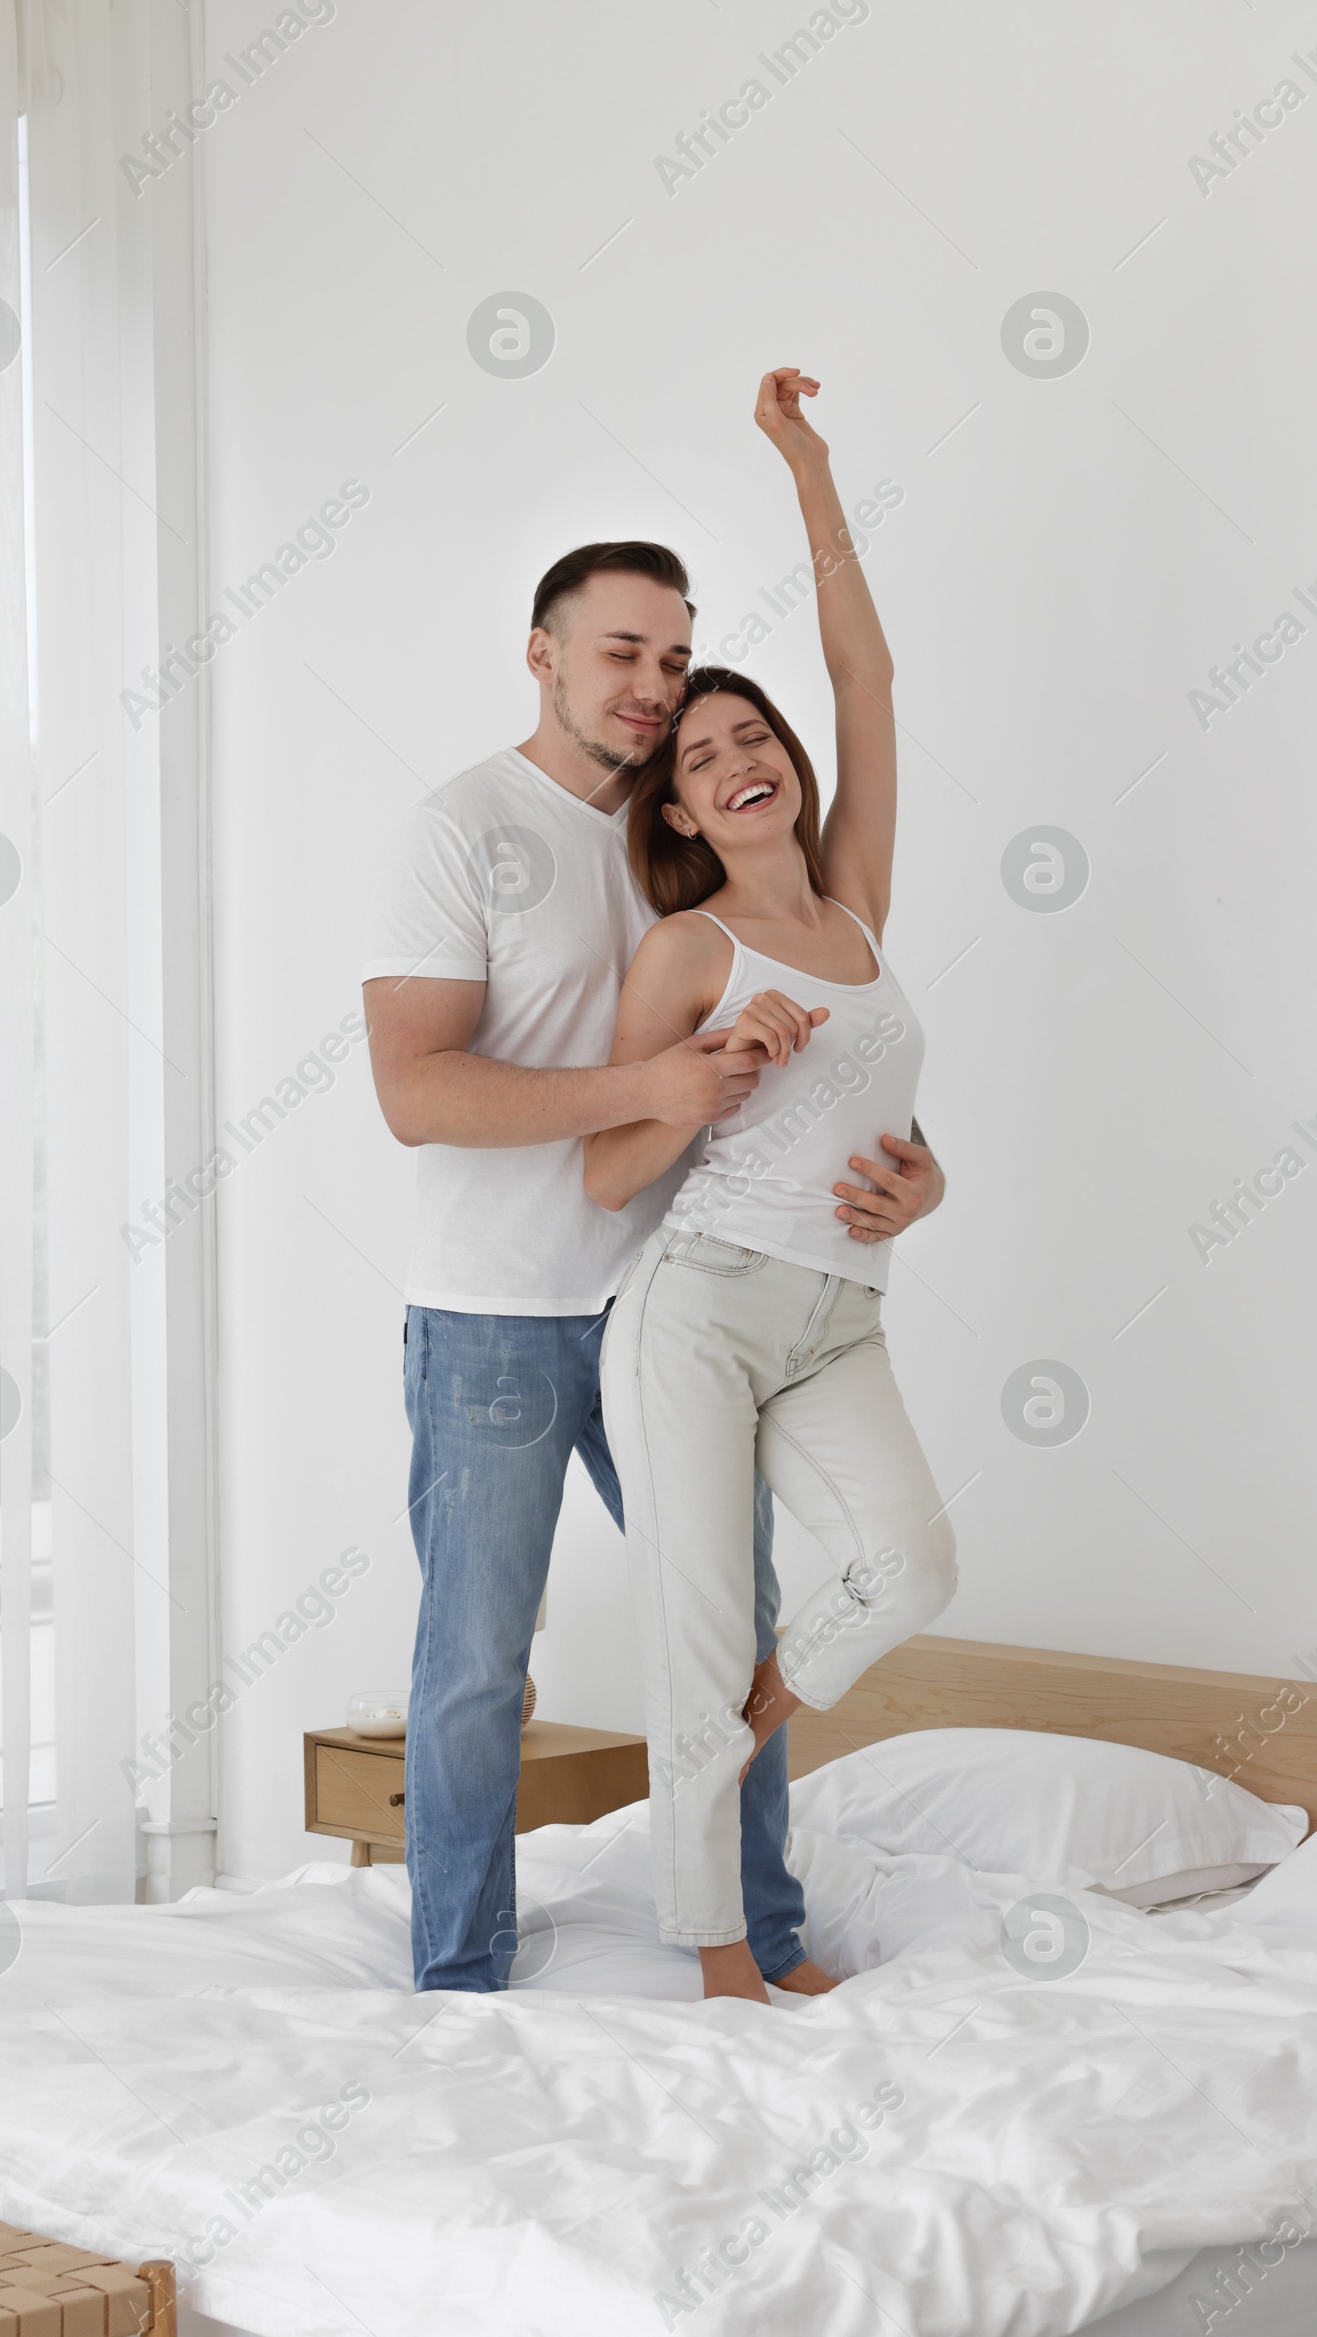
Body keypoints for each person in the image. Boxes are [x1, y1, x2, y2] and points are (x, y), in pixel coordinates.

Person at [362, 514, 946, 1994]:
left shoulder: (704, 840)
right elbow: (413, 1092)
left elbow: (865, 698)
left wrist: (907, 1175)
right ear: (544, 654)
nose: (651, 682)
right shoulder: (462, 828)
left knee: (733, 1631)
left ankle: (756, 1940)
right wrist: (659, 1086)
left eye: (674, 656)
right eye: (622, 651)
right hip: (494, 1312)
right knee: (481, 1661)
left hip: (668, 1298)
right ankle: (457, 1978)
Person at [587, 368, 959, 2004]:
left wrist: (806, 465)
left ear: (788, 768)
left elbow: (866, 669)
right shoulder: (687, 948)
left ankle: (736, 1727)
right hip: (700, 1313)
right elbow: (610, 1173)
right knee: (681, 1631)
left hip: (842, 1318)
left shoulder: (859, 907)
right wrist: (716, 1074)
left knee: (914, 1564)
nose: (739, 757)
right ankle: (727, 1964)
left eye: (756, 738)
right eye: (705, 752)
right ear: (676, 807)